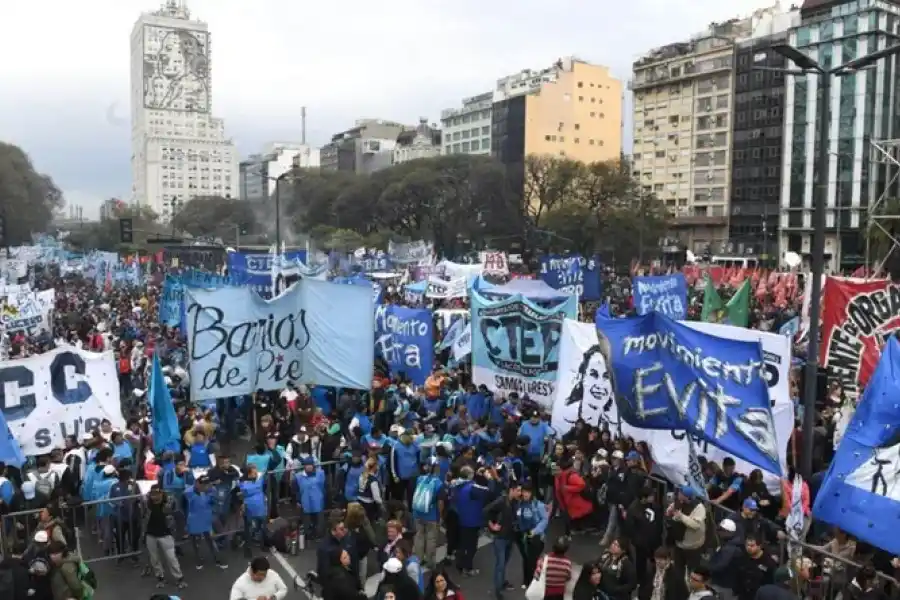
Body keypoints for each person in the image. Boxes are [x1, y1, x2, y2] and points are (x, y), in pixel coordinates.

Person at [143, 485, 186, 589]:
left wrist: (179, 531)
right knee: (155, 559)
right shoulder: (147, 504)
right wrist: (143, 534)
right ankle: (160, 578)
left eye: (157, 494)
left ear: (162, 493)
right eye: (153, 495)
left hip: (166, 535)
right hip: (151, 535)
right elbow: (143, 518)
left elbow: (179, 516)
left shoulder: (170, 503)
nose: (155, 497)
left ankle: (179, 578)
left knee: (171, 558)